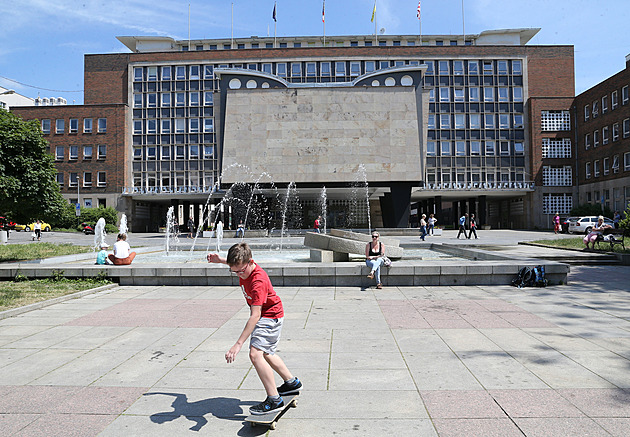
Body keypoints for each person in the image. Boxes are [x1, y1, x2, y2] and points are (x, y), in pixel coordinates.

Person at [207, 242, 302, 415]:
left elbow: (255, 315)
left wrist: (238, 344)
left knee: (255, 354)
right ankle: (291, 383)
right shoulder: (243, 266)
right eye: (234, 271)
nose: (239, 275)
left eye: (241, 271)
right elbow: (234, 263)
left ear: (251, 262)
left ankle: (274, 400)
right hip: (271, 314)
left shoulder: (258, 281)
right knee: (267, 353)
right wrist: (219, 260)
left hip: (269, 316)